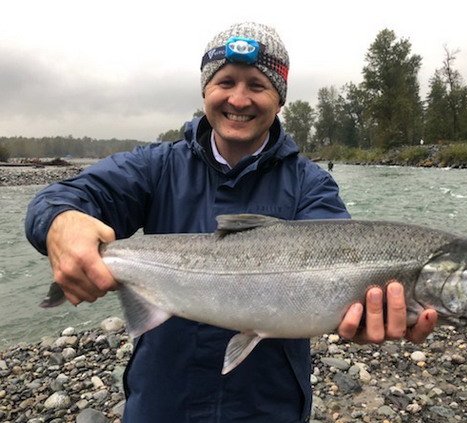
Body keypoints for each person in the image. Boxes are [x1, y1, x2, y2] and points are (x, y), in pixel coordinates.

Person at [25, 22, 437, 422]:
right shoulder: (154, 167)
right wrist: (60, 223)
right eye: (225, 82)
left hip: (267, 406)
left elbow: (342, 256)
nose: (239, 100)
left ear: (279, 99)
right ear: (205, 90)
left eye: (257, 86)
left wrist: (364, 315)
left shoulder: (312, 186)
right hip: (162, 400)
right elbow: (62, 196)